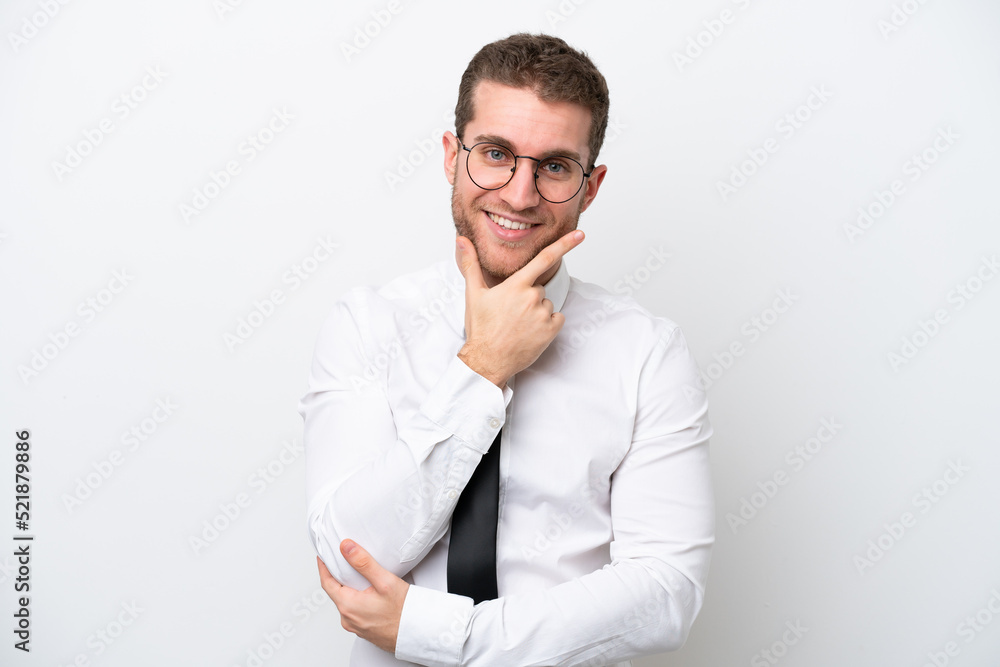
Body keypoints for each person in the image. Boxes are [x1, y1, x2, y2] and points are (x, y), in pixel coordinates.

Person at [299, 33, 714, 667]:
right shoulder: (368, 325)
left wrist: (441, 634)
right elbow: (348, 554)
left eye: (554, 166)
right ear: (450, 156)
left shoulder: (646, 352)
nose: (520, 195)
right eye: (495, 154)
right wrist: (484, 368)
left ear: (591, 185)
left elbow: (664, 595)